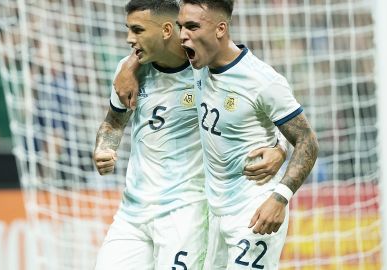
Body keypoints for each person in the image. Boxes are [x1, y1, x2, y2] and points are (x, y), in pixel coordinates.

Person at [93, 1, 288, 269]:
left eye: (137, 30)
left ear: (166, 30)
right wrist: (105, 147)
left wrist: (281, 148)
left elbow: (262, 109)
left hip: (186, 212)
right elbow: (113, 123)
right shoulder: (130, 72)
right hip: (132, 212)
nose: (129, 39)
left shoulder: (208, 67)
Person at [174, 0, 319, 269]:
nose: (182, 35)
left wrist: (280, 198)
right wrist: (129, 69)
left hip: (255, 210)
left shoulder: (262, 80)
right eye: (181, 26)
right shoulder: (196, 64)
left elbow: (307, 141)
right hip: (214, 211)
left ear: (220, 29)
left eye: (192, 26)